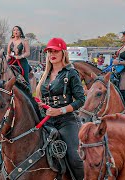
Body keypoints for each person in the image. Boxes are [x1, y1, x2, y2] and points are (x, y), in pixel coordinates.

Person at [35, 37, 85, 180]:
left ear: (63, 53)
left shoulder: (71, 73)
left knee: (74, 157)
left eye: (55, 51)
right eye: (49, 51)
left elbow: (81, 100)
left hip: (66, 121)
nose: (52, 54)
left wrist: (60, 110)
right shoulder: (44, 75)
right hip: (45, 121)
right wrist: (39, 103)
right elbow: (40, 97)